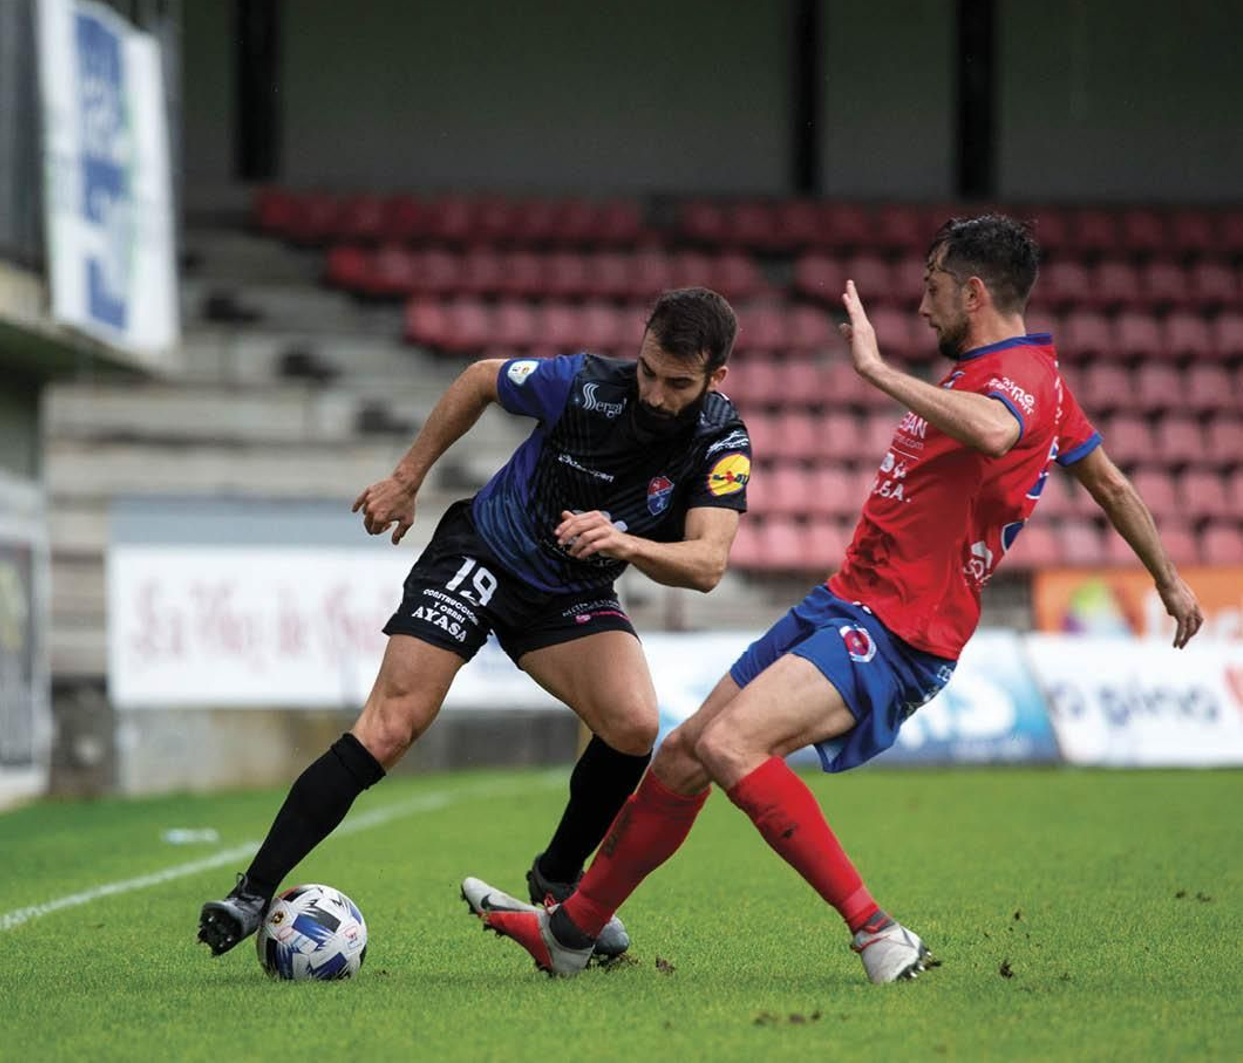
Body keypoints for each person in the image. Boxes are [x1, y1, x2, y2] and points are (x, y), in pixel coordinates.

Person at [467, 214, 1205, 983]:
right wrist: (1170, 578)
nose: (923, 305)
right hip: (847, 602)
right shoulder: (1033, 379)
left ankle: (877, 932)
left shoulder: (1015, 378)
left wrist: (879, 371)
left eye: (933, 288)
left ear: (974, 292)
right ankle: (573, 931)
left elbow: (993, 433)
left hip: (901, 626)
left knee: (729, 746)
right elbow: (1111, 482)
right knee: (685, 753)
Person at [197, 288, 754, 960]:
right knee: (390, 727)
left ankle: (557, 878)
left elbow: (707, 563)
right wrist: (407, 478)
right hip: (482, 554)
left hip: (570, 589)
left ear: (715, 377)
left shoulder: (720, 440)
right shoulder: (583, 386)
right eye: (647, 371)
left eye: (678, 383)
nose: (656, 393)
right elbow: (482, 377)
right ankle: (253, 892)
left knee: (635, 725)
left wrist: (624, 543)